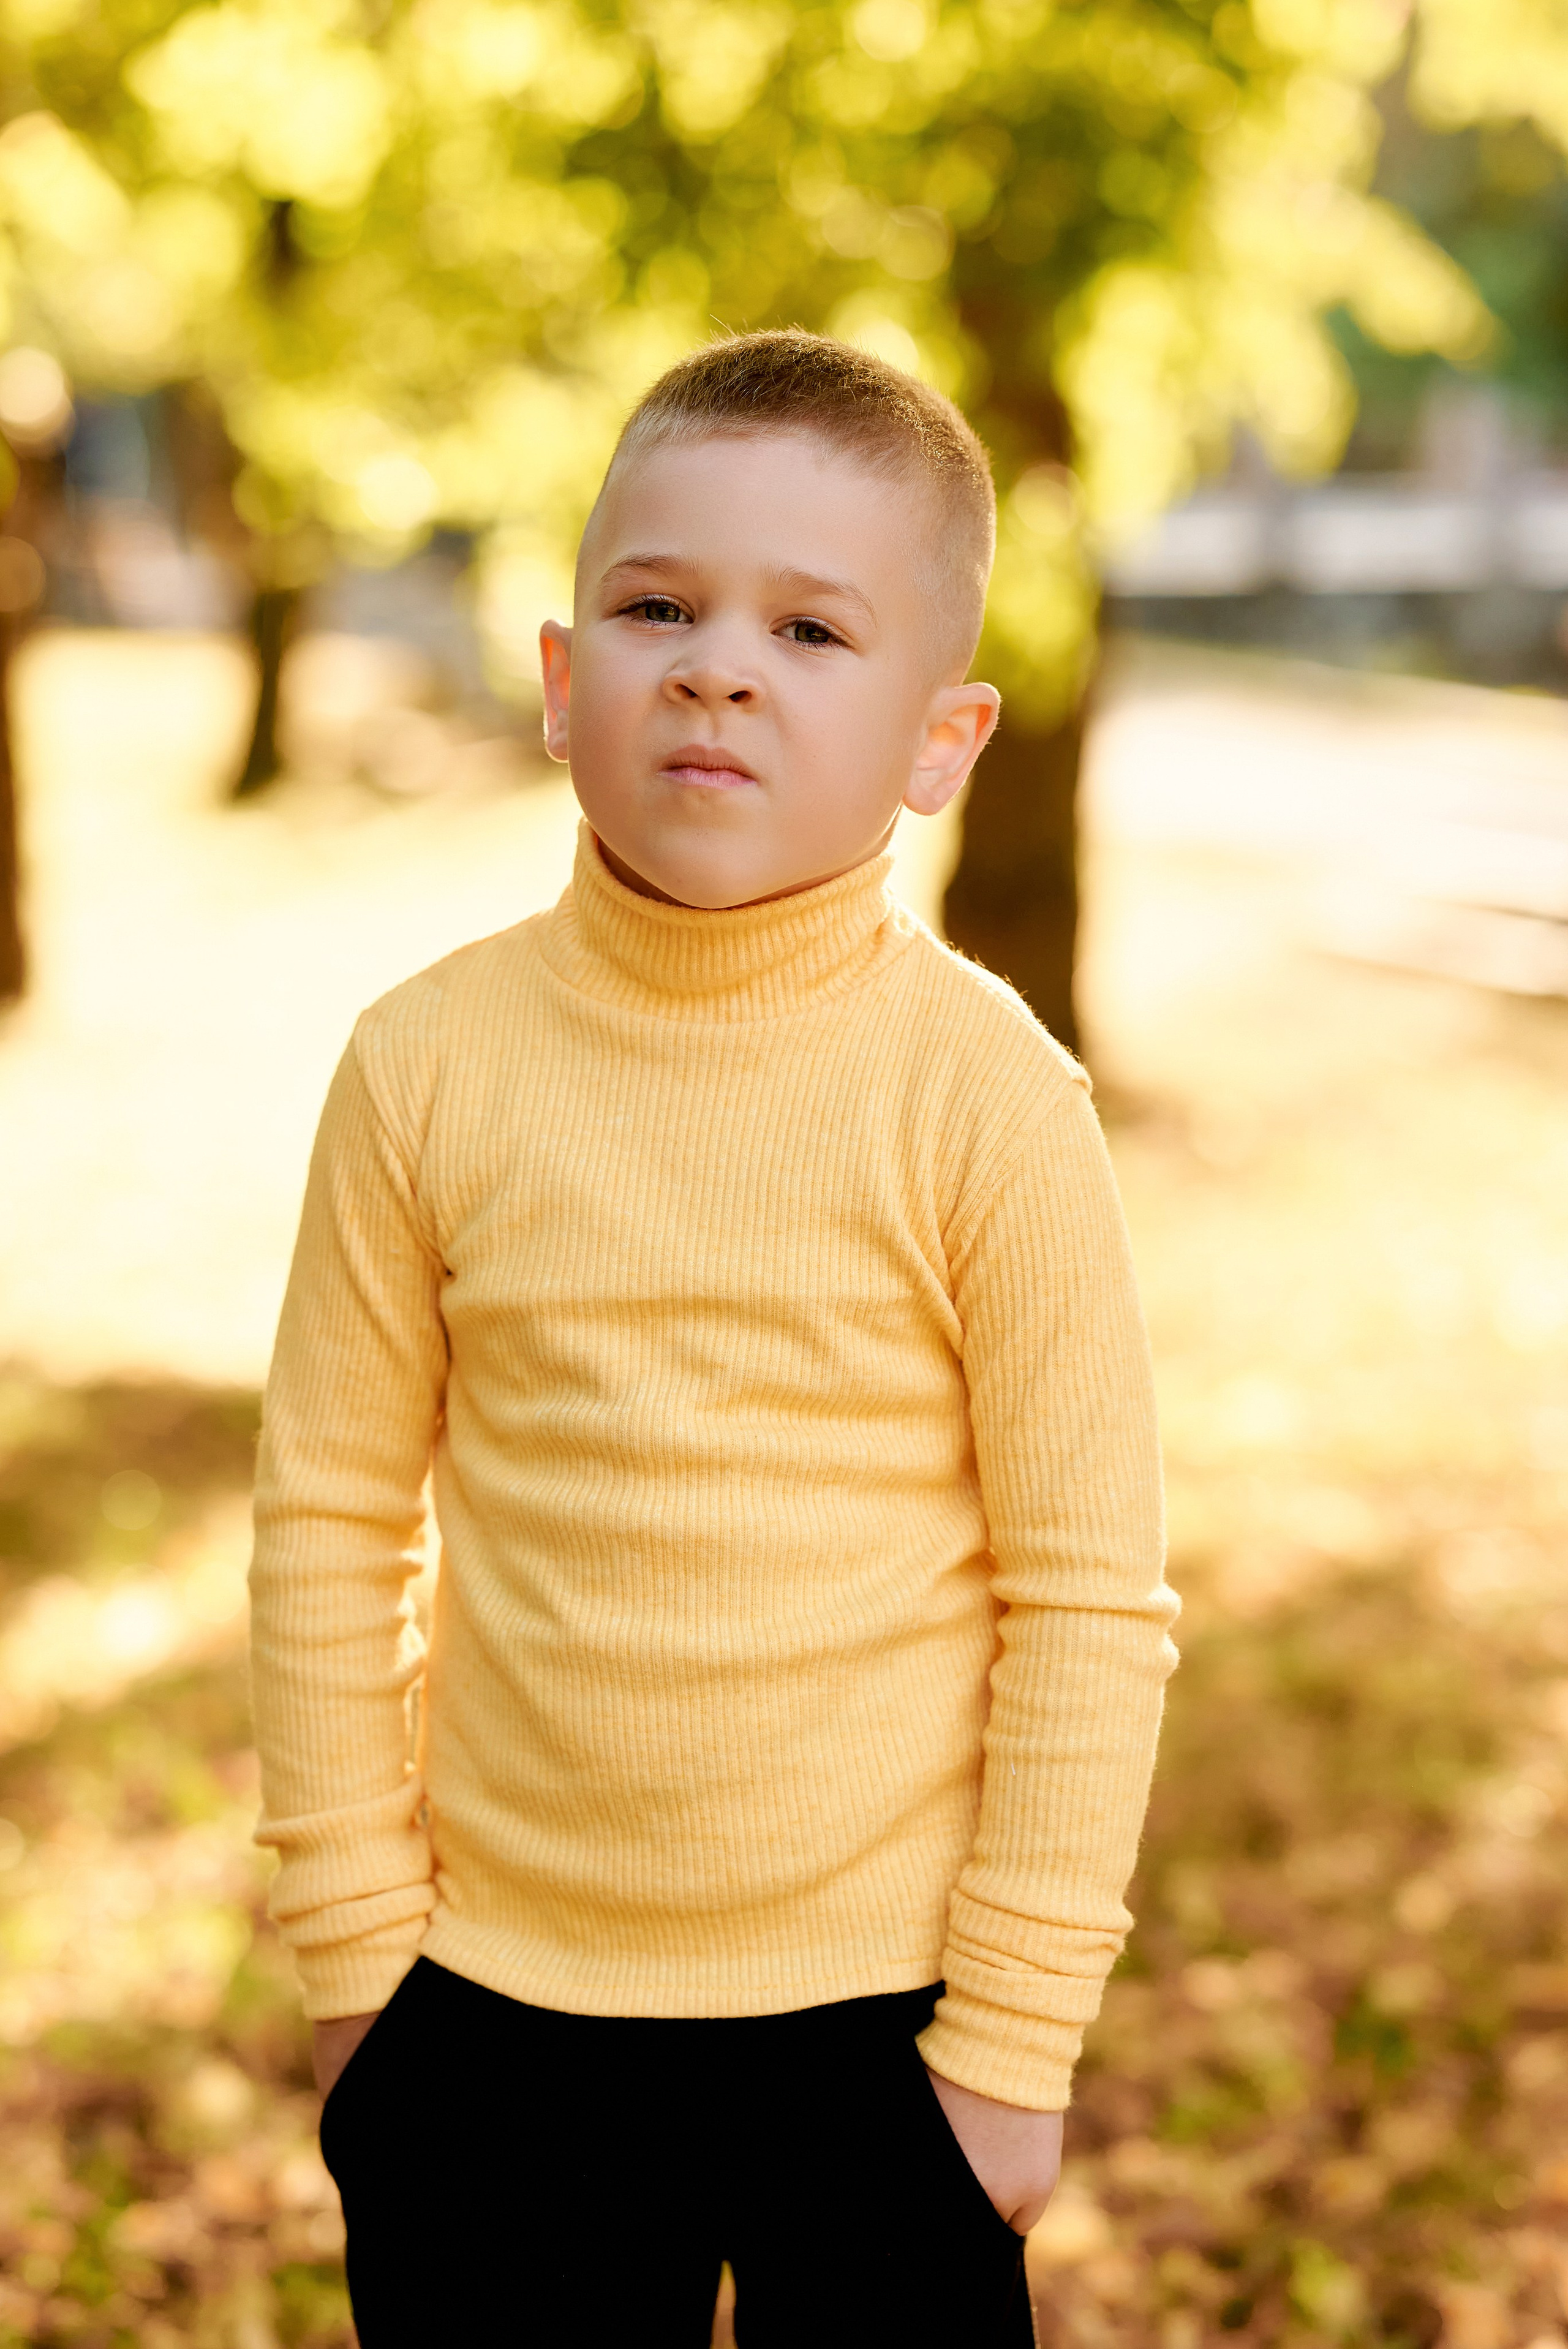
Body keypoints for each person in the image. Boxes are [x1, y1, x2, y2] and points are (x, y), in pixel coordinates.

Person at [248, 329, 1177, 2348]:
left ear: (943, 741)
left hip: (887, 2022)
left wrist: (1009, 2046)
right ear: (567, 679)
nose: (720, 664)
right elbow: (329, 1525)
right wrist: (356, 1973)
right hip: (493, 2016)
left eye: (812, 628)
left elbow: (1090, 1597)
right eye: (659, 604)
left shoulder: (985, 1097)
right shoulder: (425, 1067)